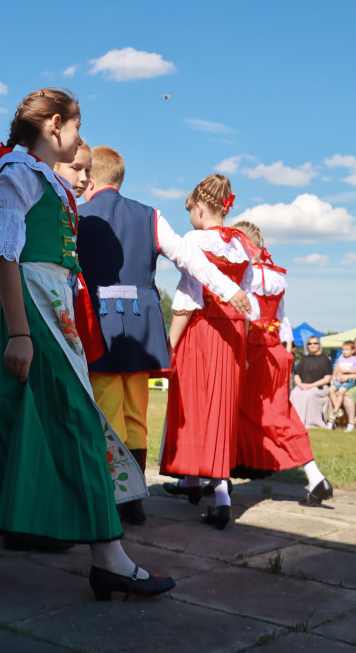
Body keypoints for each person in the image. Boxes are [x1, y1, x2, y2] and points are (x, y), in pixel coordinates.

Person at [0, 87, 175, 601]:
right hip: (33, 311)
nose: (79, 139)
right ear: (55, 126)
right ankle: (109, 561)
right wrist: (22, 333)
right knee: (71, 424)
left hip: (46, 308)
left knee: (9, 432)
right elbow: (5, 256)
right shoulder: (18, 174)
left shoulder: (40, 178)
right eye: (76, 127)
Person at [74, 146, 249, 525]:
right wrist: (227, 288)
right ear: (120, 178)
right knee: (136, 412)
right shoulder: (150, 215)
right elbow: (188, 257)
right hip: (141, 326)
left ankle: (115, 498)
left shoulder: (78, 215)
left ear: (90, 180)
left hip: (98, 326)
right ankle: (136, 501)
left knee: (106, 411)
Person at [158, 174, 255, 530]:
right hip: (233, 333)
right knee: (220, 410)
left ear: (200, 207)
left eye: (190, 213)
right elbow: (245, 295)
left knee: (193, 407)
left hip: (203, 330)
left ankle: (219, 494)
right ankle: (195, 482)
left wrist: (170, 344)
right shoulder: (243, 245)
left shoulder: (194, 240)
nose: (190, 220)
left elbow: (187, 298)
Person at [230, 221, 333, 507]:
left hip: (254, 352)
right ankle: (227, 472)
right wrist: (285, 347)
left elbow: (246, 317)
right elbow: (283, 320)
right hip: (275, 351)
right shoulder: (274, 277)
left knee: (275, 415)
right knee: (250, 412)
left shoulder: (248, 278)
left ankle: (315, 477)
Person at [290, 337, 333, 429]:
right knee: (294, 393)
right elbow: (297, 375)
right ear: (307, 346)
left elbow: (327, 378)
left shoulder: (325, 359)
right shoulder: (304, 359)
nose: (312, 345)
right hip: (303, 386)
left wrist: (311, 386)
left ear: (319, 345)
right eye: (310, 343)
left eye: (315, 343)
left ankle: (311, 423)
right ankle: (295, 422)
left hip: (320, 387)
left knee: (309, 394)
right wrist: (300, 385)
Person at [328, 341, 356, 420]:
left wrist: (348, 371)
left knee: (341, 391)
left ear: (352, 350)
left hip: (349, 380)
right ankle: (338, 409)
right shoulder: (341, 358)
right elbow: (337, 369)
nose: (344, 351)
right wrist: (335, 376)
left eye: (346, 349)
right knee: (331, 390)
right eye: (343, 349)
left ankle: (335, 410)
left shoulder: (355, 359)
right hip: (339, 380)